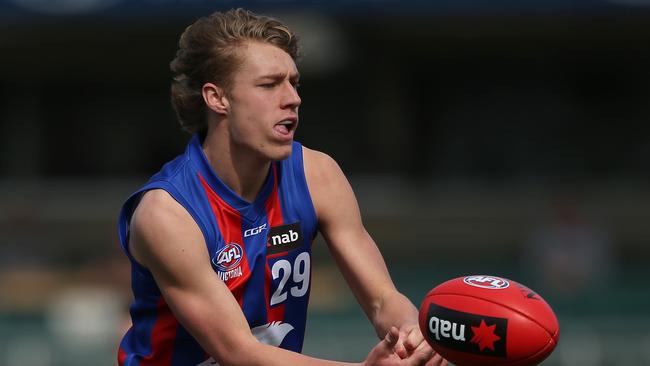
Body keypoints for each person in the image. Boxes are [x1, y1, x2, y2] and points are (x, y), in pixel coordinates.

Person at [117, 8, 447, 366]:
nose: (292, 98)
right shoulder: (167, 214)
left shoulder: (318, 175)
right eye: (269, 85)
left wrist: (411, 336)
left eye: (294, 82)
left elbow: (383, 298)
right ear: (218, 98)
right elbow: (238, 353)